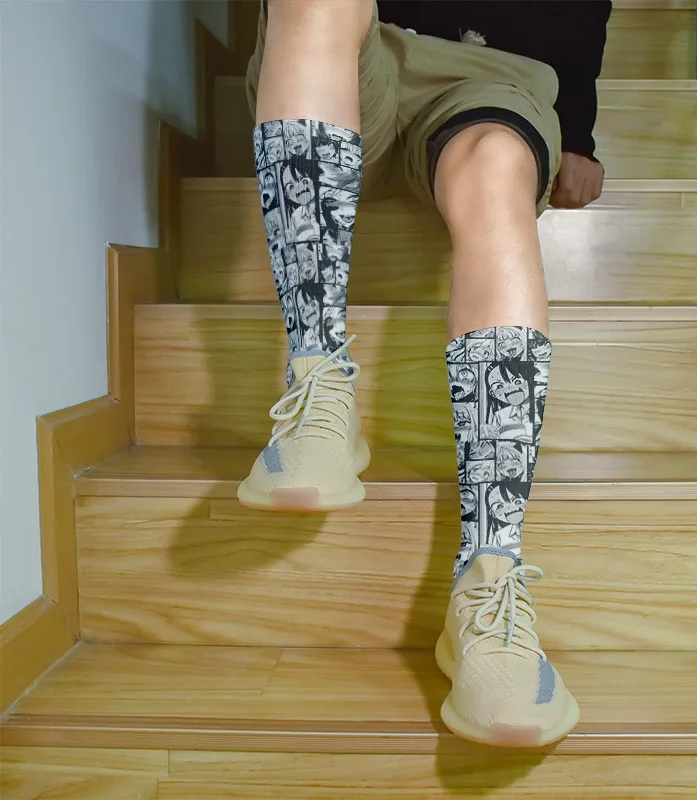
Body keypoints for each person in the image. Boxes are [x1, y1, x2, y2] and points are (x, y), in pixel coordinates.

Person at [238, 0, 611, 748]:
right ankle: (318, 383)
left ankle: (488, 581)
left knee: (496, 164)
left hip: (495, 83)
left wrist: (580, 132)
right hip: (360, 45)